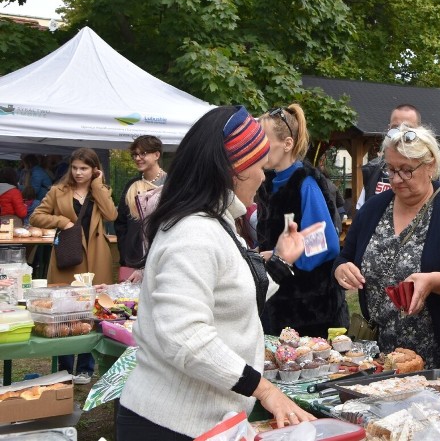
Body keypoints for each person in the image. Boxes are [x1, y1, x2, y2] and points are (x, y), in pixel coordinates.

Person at [117, 106, 315, 440]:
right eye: (259, 165)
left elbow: (232, 296)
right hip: (169, 425)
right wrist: (264, 390)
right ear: (235, 170)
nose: (263, 176)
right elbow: (187, 338)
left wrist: (280, 262)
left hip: (201, 422)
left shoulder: (214, 221)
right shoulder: (193, 233)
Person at [334, 124, 440, 368]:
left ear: (429, 166)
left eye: (406, 171)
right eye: (391, 170)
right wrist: (341, 269)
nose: (396, 179)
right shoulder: (374, 209)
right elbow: (345, 257)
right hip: (382, 356)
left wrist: (434, 281)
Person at [256, 103, 347, 337]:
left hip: (311, 313)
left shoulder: (306, 183)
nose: (258, 147)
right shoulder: (268, 183)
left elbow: (326, 242)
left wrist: (281, 256)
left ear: (287, 144)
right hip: (279, 306)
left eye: (264, 141)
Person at [30, 147, 118, 384]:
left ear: (94, 169)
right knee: (64, 312)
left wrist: (98, 185)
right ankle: (65, 367)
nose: (78, 173)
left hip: (96, 257)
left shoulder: (101, 191)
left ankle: (86, 368)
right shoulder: (58, 191)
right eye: (75, 167)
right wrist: (62, 221)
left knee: (91, 311)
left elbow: (111, 215)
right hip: (69, 258)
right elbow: (36, 217)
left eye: (84, 168)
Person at [357, 104, 440, 209]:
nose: (400, 135)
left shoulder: (435, 171)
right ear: (388, 129)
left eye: (408, 130)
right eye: (395, 128)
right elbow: (362, 210)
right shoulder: (373, 169)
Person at [114, 135, 167, 283]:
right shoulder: (132, 185)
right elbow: (121, 224)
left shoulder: (172, 184)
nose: (137, 158)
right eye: (135, 154)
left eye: (143, 153)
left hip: (162, 257)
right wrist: (125, 255)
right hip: (135, 260)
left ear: (156, 155)